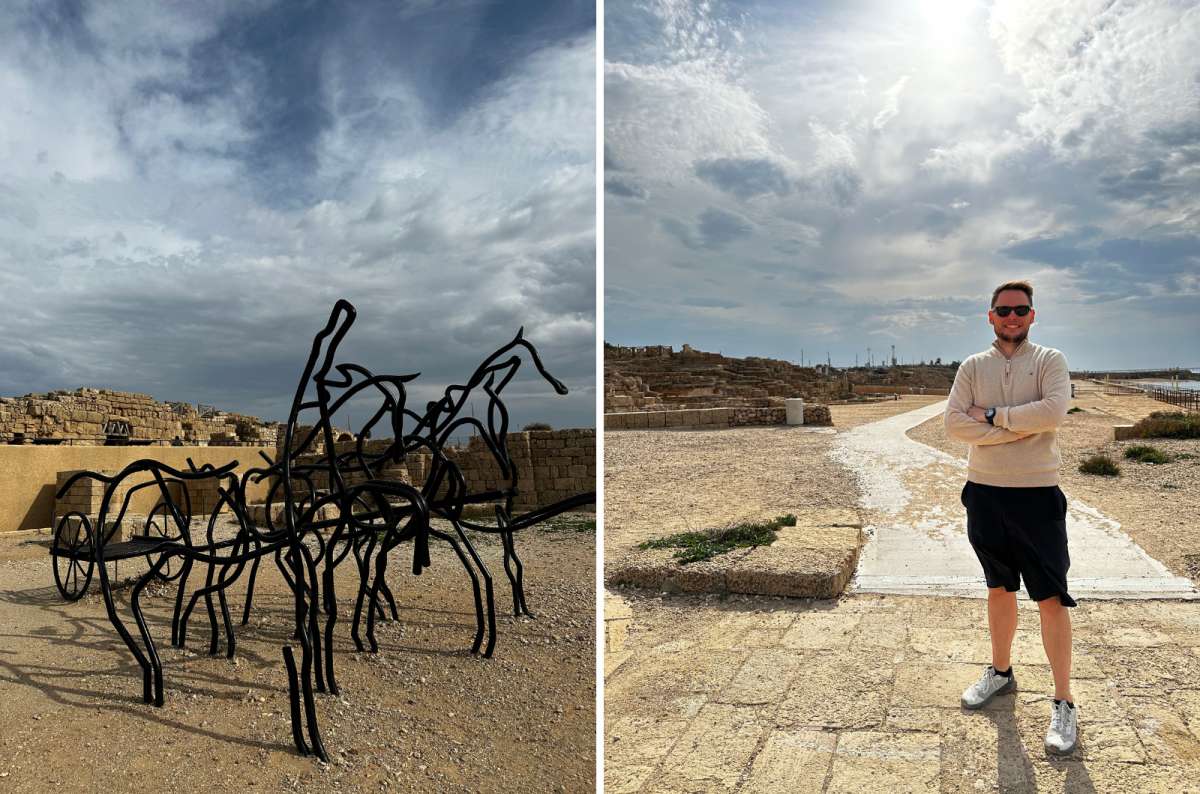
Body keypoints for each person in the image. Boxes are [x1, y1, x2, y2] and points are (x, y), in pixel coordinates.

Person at [944, 279, 1076, 754]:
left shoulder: (1049, 361)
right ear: (991, 315)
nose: (1012, 317)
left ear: (1032, 315)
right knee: (998, 588)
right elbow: (954, 423)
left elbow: (1054, 412)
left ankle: (1063, 701)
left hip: (1037, 495)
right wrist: (1019, 428)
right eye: (1004, 310)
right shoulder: (972, 366)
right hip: (984, 493)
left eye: (1021, 310)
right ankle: (1000, 671)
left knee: (1050, 598)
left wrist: (994, 417)